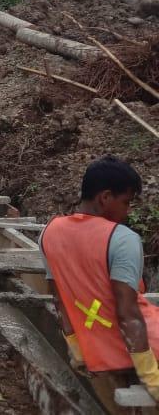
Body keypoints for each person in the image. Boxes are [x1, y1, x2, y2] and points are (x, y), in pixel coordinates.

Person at [41, 156, 159, 412]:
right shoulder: (122, 239)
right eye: (126, 202)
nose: (128, 211)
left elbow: (59, 299)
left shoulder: (49, 233)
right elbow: (128, 314)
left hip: (96, 354)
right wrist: (151, 377)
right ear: (105, 197)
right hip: (146, 348)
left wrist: (76, 347)